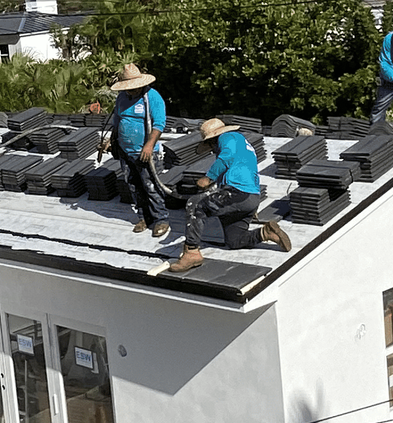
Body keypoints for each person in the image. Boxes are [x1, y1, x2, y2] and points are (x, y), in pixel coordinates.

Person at [169, 118, 293, 271]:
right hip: (250, 197)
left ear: (212, 139)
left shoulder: (227, 137)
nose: (213, 151)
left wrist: (208, 178)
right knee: (235, 240)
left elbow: (226, 157)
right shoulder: (242, 144)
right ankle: (265, 233)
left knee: (195, 204)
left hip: (238, 193)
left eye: (210, 146)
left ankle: (191, 252)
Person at [103, 61, 169, 237]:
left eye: (133, 88)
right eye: (128, 88)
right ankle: (144, 217)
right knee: (133, 185)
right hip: (126, 151)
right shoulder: (122, 98)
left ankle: (160, 219)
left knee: (151, 186)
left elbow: (159, 124)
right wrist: (112, 140)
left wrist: (149, 145)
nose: (130, 91)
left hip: (146, 151)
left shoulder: (152, 97)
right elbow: (117, 120)